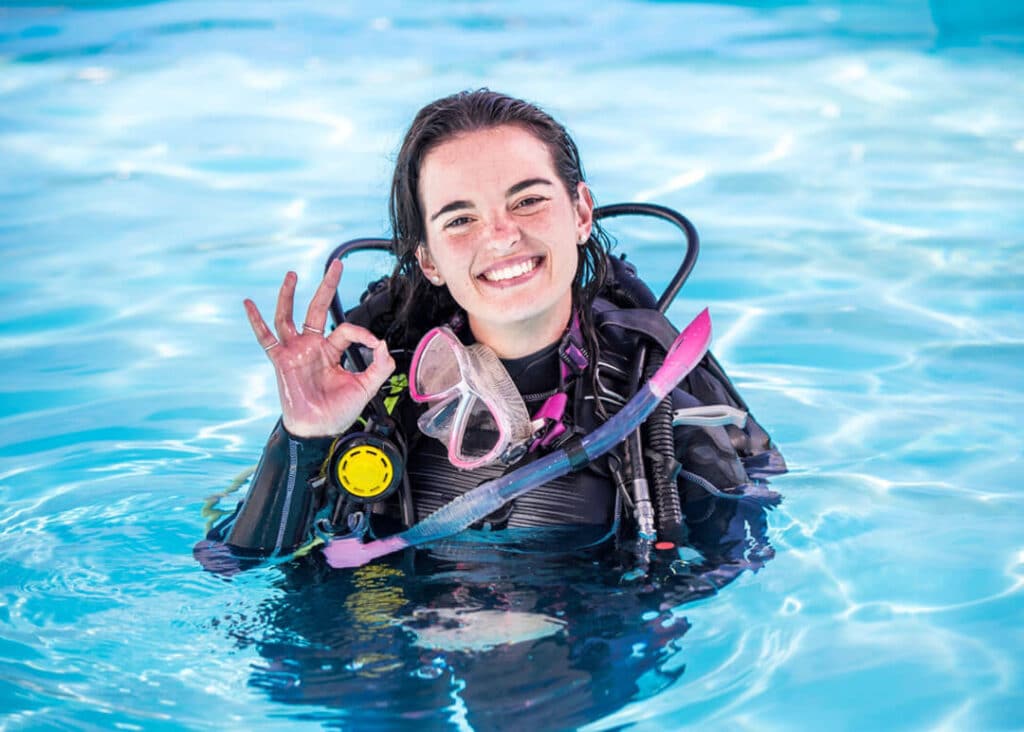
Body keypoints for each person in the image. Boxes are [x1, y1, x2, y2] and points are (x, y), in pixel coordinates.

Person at [195, 89, 785, 572]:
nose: (501, 237)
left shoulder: (654, 385)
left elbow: (734, 559)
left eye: (527, 201)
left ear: (581, 212)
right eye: (460, 218)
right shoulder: (372, 391)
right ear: (427, 258)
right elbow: (235, 566)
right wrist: (301, 437)